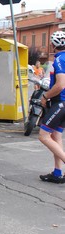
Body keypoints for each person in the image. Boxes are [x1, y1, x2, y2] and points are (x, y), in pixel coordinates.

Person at [39, 30, 65, 184]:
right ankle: (57, 173)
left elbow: (61, 84)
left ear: (54, 45)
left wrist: (45, 96)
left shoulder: (60, 59)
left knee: (43, 136)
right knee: (56, 136)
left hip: (60, 103)